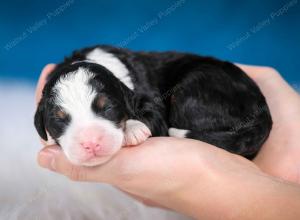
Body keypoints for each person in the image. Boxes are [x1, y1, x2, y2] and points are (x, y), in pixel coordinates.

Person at [36, 63, 300, 219]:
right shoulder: (109, 85)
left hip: (222, 96)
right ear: (42, 123)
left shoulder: (132, 88)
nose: (90, 141)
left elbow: (148, 109)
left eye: (106, 109)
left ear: (126, 100)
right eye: (62, 120)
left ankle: (218, 136)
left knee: (192, 87)